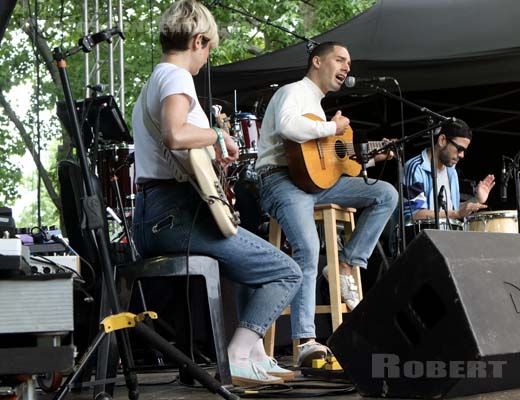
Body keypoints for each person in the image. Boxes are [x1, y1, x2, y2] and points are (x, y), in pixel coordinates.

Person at [131, 0, 302, 386]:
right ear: (198, 40)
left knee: (247, 269)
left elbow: (173, 150)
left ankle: (256, 353)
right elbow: (176, 133)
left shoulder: (153, 80)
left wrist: (208, 158)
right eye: (209, 48)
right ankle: (239, 354)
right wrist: (219, 135)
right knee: (285, 271)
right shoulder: (176, 78)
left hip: (153, 216)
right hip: (175, 213)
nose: (207, 59)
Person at [255, 41, 398, 367]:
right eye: (340, 59)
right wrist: (333, 127)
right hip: (280, 180)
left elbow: (327, 165)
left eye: (349, 61)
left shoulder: (318, 108)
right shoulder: (294, 92)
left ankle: (346, 263)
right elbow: (289, 127)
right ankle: (306, 340)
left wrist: (370, 159)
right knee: (306, 245)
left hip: (313, 185)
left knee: (385, 194)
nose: (347, 67)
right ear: (317, 61)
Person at [403, 119, 495, 221]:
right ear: (442, 140)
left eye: (464, 151)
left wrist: (476, 200)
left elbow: (451, 210)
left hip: (444, 236)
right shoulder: (416, 168)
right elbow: (413, 214)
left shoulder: (451, 171)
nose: (462, 155)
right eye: (459, 149)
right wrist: (457, 214)